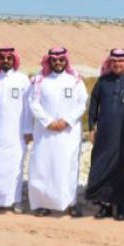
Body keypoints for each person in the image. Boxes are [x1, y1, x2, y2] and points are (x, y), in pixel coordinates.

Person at [28, 47, 87, 217]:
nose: (58, 63)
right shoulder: (40, 81)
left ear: (65, 61)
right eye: (54, 60)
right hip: (45, 133)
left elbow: (82, 103)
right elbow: (33, 103)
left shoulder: (75, 81)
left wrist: (66, 120)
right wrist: (48, 122)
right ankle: (42, 204)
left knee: (68, 167)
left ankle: (70, 203)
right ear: (49, 61)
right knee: (43, 167)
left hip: (68, 134)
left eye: (61, 60)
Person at [86, 49, 124, 220]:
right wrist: (91, 128)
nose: (117, 64)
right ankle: (105, 206)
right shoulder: (102, 81)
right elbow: (93, 104)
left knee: (121, 169)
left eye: (121, 61)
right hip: (104, 134)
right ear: (110, 63)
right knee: (102, 167)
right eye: (114, 61)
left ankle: (120, 206)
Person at [0, 46, 32, 214]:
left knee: (15, 167)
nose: (6, 61)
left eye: (9, 58)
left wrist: (28, 130)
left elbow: (28, 107)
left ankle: (15, 201)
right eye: (3, 58)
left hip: (17, 132)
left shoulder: (23, 80)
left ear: (14, 60)